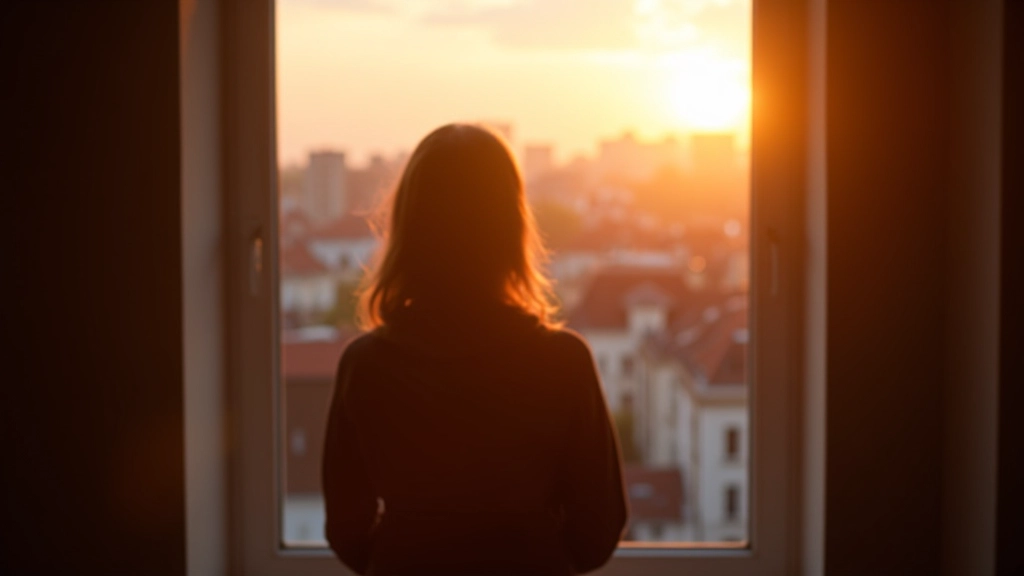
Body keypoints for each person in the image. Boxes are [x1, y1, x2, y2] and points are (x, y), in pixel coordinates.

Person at [322, 123, 628, 576]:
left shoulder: (364, 365)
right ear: (511, 227)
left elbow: (347, 527)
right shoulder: (563, 362)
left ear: (408, 228)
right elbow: (598, 531)